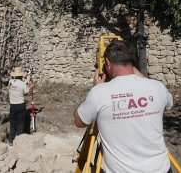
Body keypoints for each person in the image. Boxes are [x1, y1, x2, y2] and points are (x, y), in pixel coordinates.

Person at [74, 41, 173, 173]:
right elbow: (169, 104)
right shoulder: (157, 87)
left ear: (107, 63)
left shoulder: (99, 93)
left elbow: (79, 122)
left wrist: (96, 89)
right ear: (131, 61)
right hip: (161, 169)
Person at [8, 66, 34, 145]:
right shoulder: (22, 84)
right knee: (20, 123)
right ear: (22, 75)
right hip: (20, 105)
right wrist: (32, 87)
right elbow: (28, 94)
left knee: (13, 123)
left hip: (12, 105)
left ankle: (11, 140)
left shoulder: (10, 82)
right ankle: (18, 141)